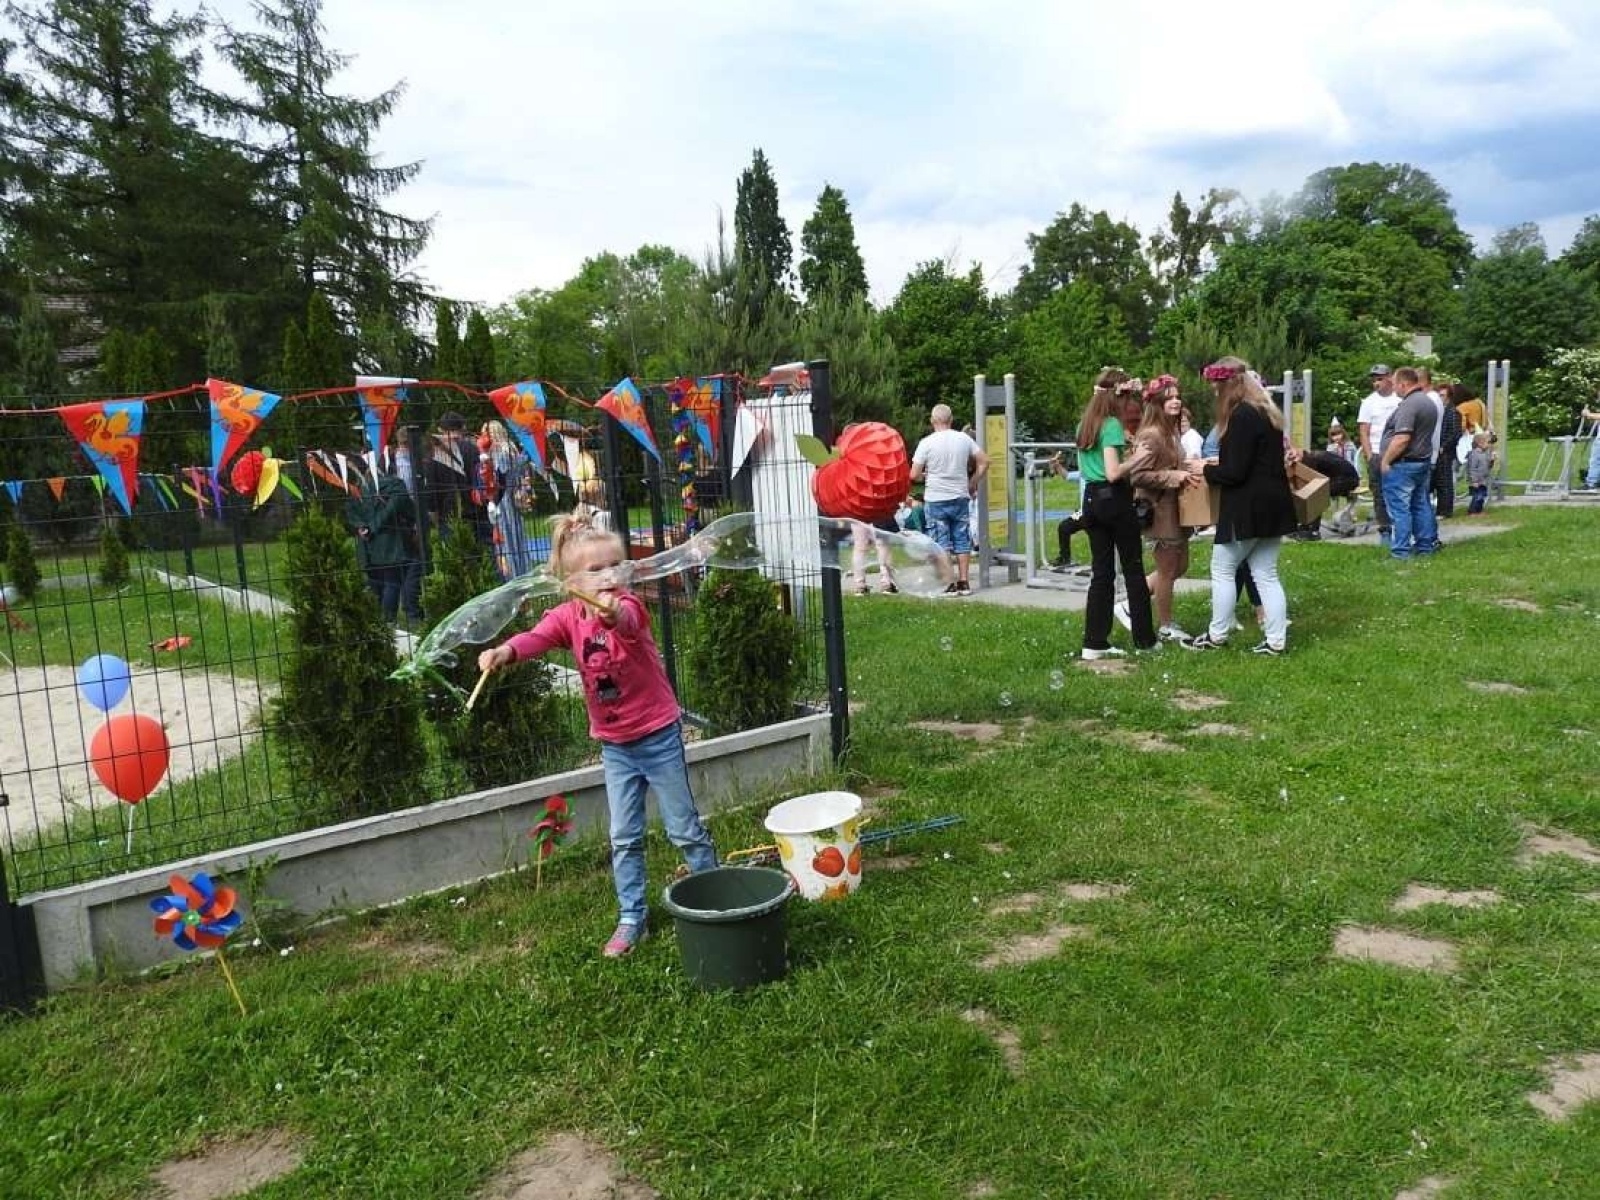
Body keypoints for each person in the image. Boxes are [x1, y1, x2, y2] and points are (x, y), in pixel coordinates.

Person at [477, 505, 718, 958]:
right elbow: (536, 637)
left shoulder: (629, 606)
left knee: (683, 828)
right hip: (616, 749)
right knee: (624, 837)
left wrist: (612, 614)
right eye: (596, 570)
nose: (609, 575)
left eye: (616, 565)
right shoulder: (567, 617)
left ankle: (713, 895)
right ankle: (632, 917)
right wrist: (505, 651)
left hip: (658, 736)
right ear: (571, 582)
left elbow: (625, 621)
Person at [1186, 357, 1296, 656]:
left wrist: (1204, 469)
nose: (1214, 390)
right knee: (1266, 573)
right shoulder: (1266, 412)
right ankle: (1276, 641)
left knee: (1222, 569)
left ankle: (1217, 635)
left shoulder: (1241, 416)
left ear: (1230, 384)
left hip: (1248, 506)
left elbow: (1234, 473)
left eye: (1216, 384)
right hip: (1274, 503)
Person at [1074, 368, 1157, 659]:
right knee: (1133, 569)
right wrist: (1139, 458)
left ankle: (1094, 642)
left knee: (1101, 572)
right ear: (1116, 397)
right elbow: (1112, 472)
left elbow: (1095, 466)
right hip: (1114, 500)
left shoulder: (1085, 424)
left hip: (1090, 499)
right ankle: (1145, 640)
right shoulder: (1110, 424)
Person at [1130, 385, 1204, 643]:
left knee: (1180, 566)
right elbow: (1136, 475)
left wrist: (1195, 466)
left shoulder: (1170, 431)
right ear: (1157, 403)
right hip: (1160, 510)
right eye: (1169, 398)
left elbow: (1174, 463)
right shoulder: (1151, 435)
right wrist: (1173, 476)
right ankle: (1165, 625)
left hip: (1177, 508)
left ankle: (1132, 602)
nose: (1176, 401)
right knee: (1167, 569)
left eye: (1177, 397)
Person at [911, 403, 988, 596]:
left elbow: (914, 474)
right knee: (962, 539)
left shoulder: (926, 442)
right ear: (951, 420)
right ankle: (964, 582)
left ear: (932, 421)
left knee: (940, 542)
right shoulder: (963, 439)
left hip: (936, 498)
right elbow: (985, 461)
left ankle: (949, 583)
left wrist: (926, 476)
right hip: (960, 495)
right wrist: (973, 482)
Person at [348, 451, 423, 624]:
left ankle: (383, 620)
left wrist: (363, 527)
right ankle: (406, 616)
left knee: (382, 583)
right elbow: (408, 509)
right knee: (398, 578)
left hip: (370, 545)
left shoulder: (359, 488)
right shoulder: (395, 484)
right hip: (394, 541)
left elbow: (352, 513)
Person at [1378, 366, 1440, 559]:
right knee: (1421, 506)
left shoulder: (1409, 405)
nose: (1393, 388)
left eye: (1395, 384)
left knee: (1400, 510)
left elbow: (1402, 438)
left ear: (1403, 384)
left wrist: (1386, 461)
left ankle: (1400, 552)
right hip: (1421, 462)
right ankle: (1425, 547)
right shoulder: (1428, 401)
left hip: (1403, 464)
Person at [423, 411, 489, 546]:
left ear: (441, 430)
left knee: (454, 554)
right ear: (462, 427)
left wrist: (434, 513)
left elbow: (431, 488)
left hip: (448, 514)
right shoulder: (473, 449)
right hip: (475, 511)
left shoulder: (434, 454)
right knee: (482, 553)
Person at [479, 420, 534, 579]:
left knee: (506, 540)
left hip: (503, 500)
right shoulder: (510, 447)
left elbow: (501, 476)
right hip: (512, 497)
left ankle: (513, 575)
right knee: (517, 538)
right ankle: (522, 571)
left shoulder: (500, 452)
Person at [1356, 365, 1399, 545]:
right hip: (1376, 452)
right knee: (1379, 494)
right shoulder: (1369, 402)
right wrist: (1369, 455)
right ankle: (1385, 529)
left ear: (1389, 378)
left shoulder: (1399, 398)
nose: (1376, 383)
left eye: (1380, 379)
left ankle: (1401, 528)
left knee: (1398, 492)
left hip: (1397, 453)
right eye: (1374, 380)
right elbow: (1364, 431)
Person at [850, 518, 899, 595]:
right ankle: (887, 584)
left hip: (857, 514)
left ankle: (860, 586)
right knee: (882, 545)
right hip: (877, 514)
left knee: (860, 547)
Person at [1466, 431, 1494, 514]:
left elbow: (1488, 467)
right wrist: (1474, 481)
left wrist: (1492, 460)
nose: (1488, 444)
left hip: (1483, 480)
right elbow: (1472, 469)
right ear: (1480, 443)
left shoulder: (1484, 454)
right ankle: (1472, 511)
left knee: (1482, 496)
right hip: (1476, 481)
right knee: (1477, 496)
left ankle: (1479, 510)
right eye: (1487, 442)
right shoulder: (1474, 454)